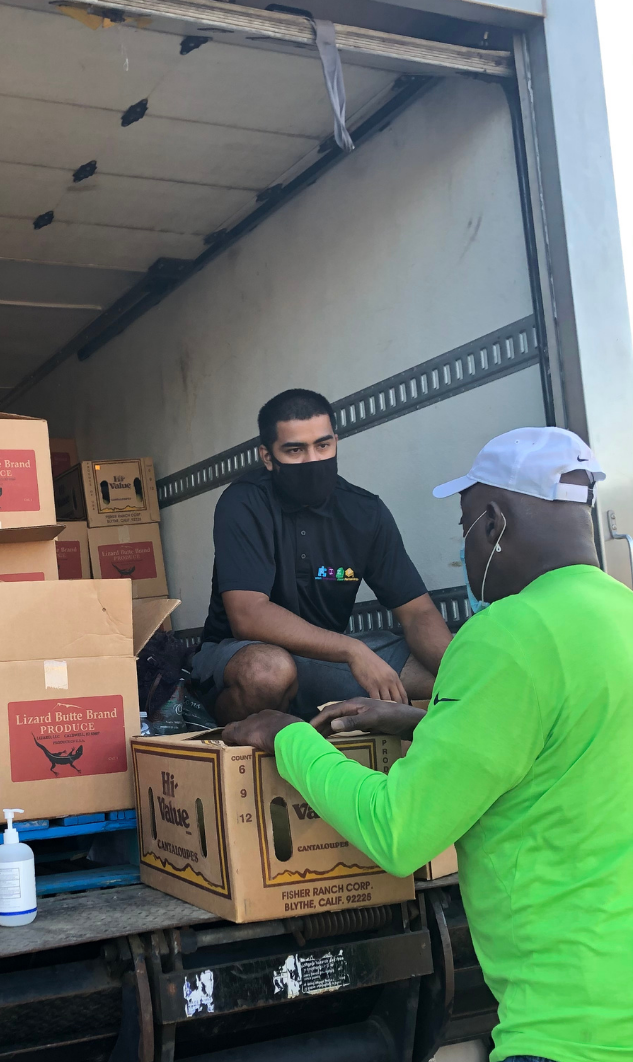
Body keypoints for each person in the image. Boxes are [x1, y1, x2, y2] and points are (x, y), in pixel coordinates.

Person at [224, 426, 633, 1062]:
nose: (463, 551)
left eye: (465, 527)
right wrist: (420, 722)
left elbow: (400, 829)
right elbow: (573, 736)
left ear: (493, 523)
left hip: (571, 1028)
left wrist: (290, 737)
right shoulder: (620, 614)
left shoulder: (508, 634)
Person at [192, 388, 453, 723]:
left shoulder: (365, 512)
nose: (313, 460)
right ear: (268, 457)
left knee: (456, 671)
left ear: (335, 441)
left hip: (326, 658)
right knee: (269, 672)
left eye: (323, 445)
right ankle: (221, 738)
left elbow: (417, 613)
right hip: (241, 654)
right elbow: (248, 615)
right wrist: (352, 650)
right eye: (295, 450)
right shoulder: (244, 503)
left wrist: (461, 673)